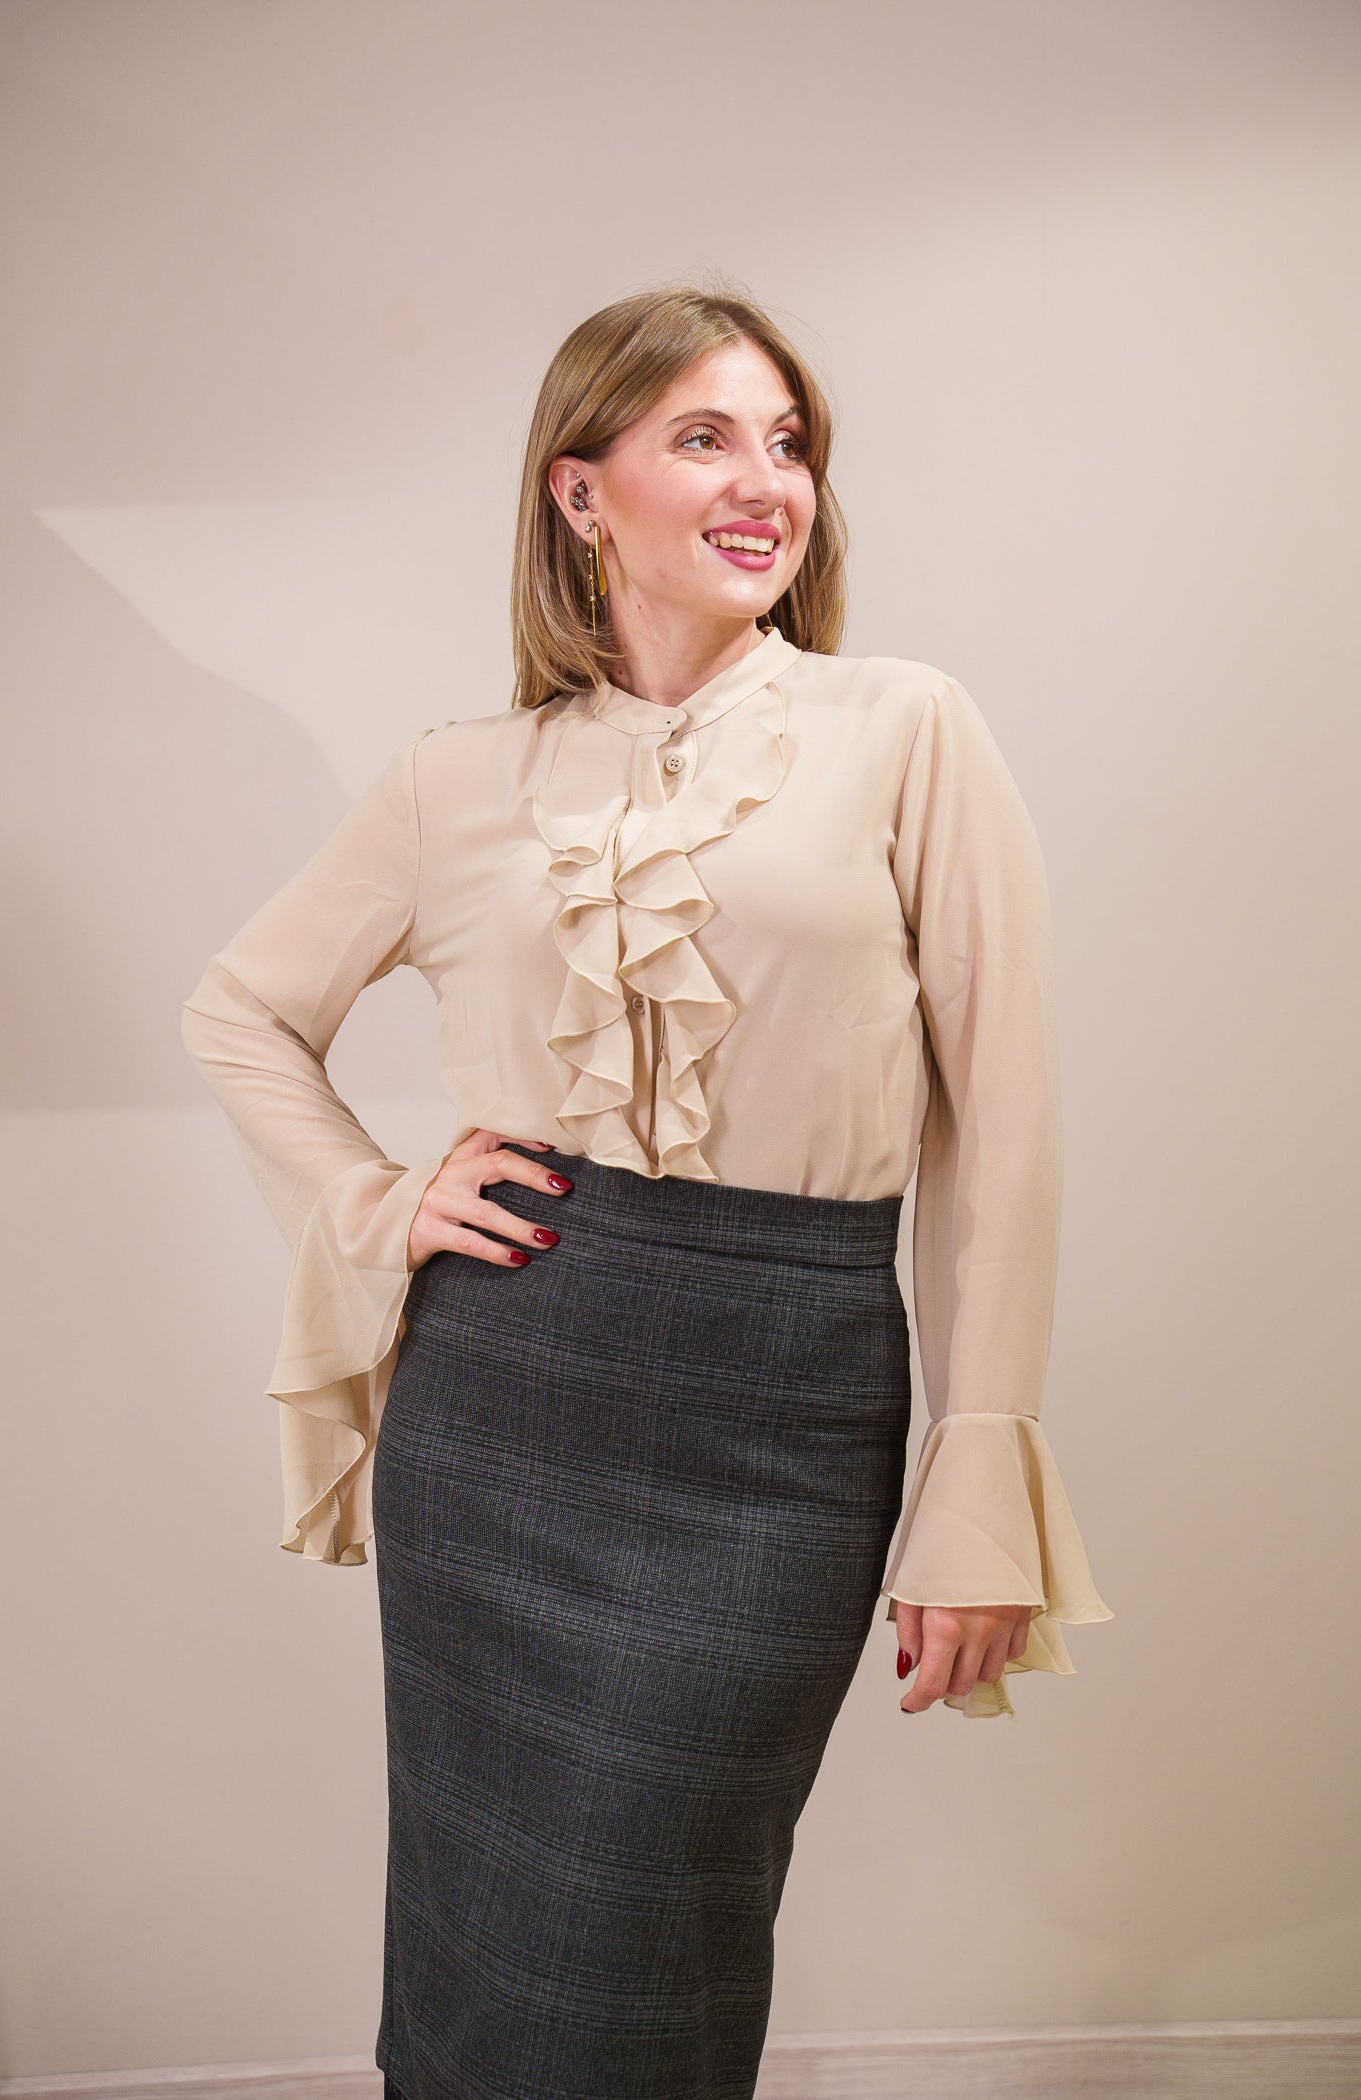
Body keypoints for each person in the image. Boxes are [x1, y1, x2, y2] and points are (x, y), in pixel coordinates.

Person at [181, 281, 1113, 2100]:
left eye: (790, 444)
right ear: (580, 490)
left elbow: (1001, 1131)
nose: (769, 482)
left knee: (647, 1939)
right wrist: (377, 1202)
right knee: (486, 1939)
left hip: (783, 1406)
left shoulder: (907, 728)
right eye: (706, 437)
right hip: (504, 1399)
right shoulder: (455, 781)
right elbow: (240, 1010)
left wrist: (979, 1471)